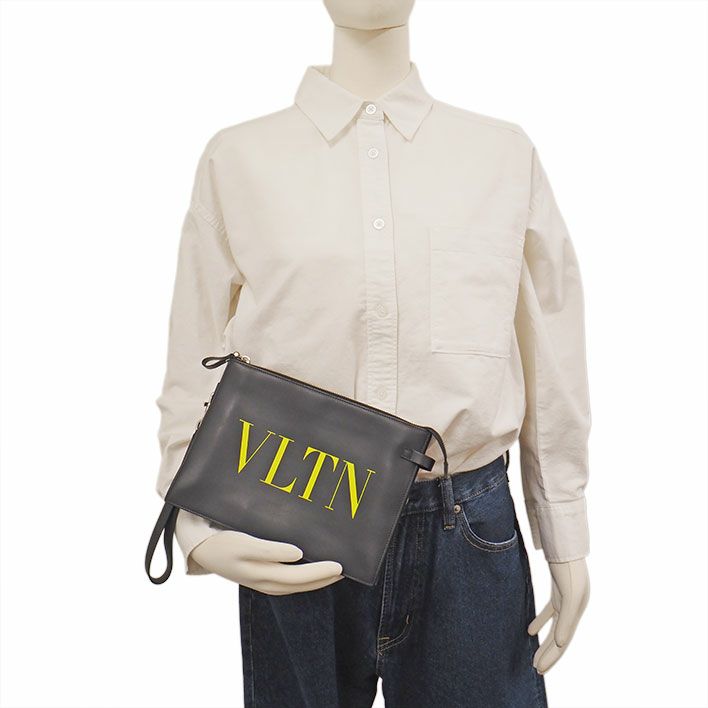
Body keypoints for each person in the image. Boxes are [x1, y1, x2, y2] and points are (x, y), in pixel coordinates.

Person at [154, 0, 591, 705]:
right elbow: (192, 353)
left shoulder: (502, 156)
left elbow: (551, 352)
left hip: (464, 524)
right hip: (294, 512)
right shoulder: (238, 159)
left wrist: (563, 527)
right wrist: (193, 518)